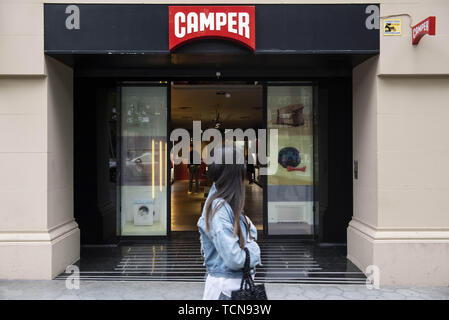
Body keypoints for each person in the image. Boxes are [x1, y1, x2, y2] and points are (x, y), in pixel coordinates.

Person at [197, 145, 261, 300]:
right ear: (235, 173)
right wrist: (255, 249)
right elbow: (235, 258)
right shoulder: (220, 210)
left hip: (231, 287)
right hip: (227, 291)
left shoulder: (226, 201)